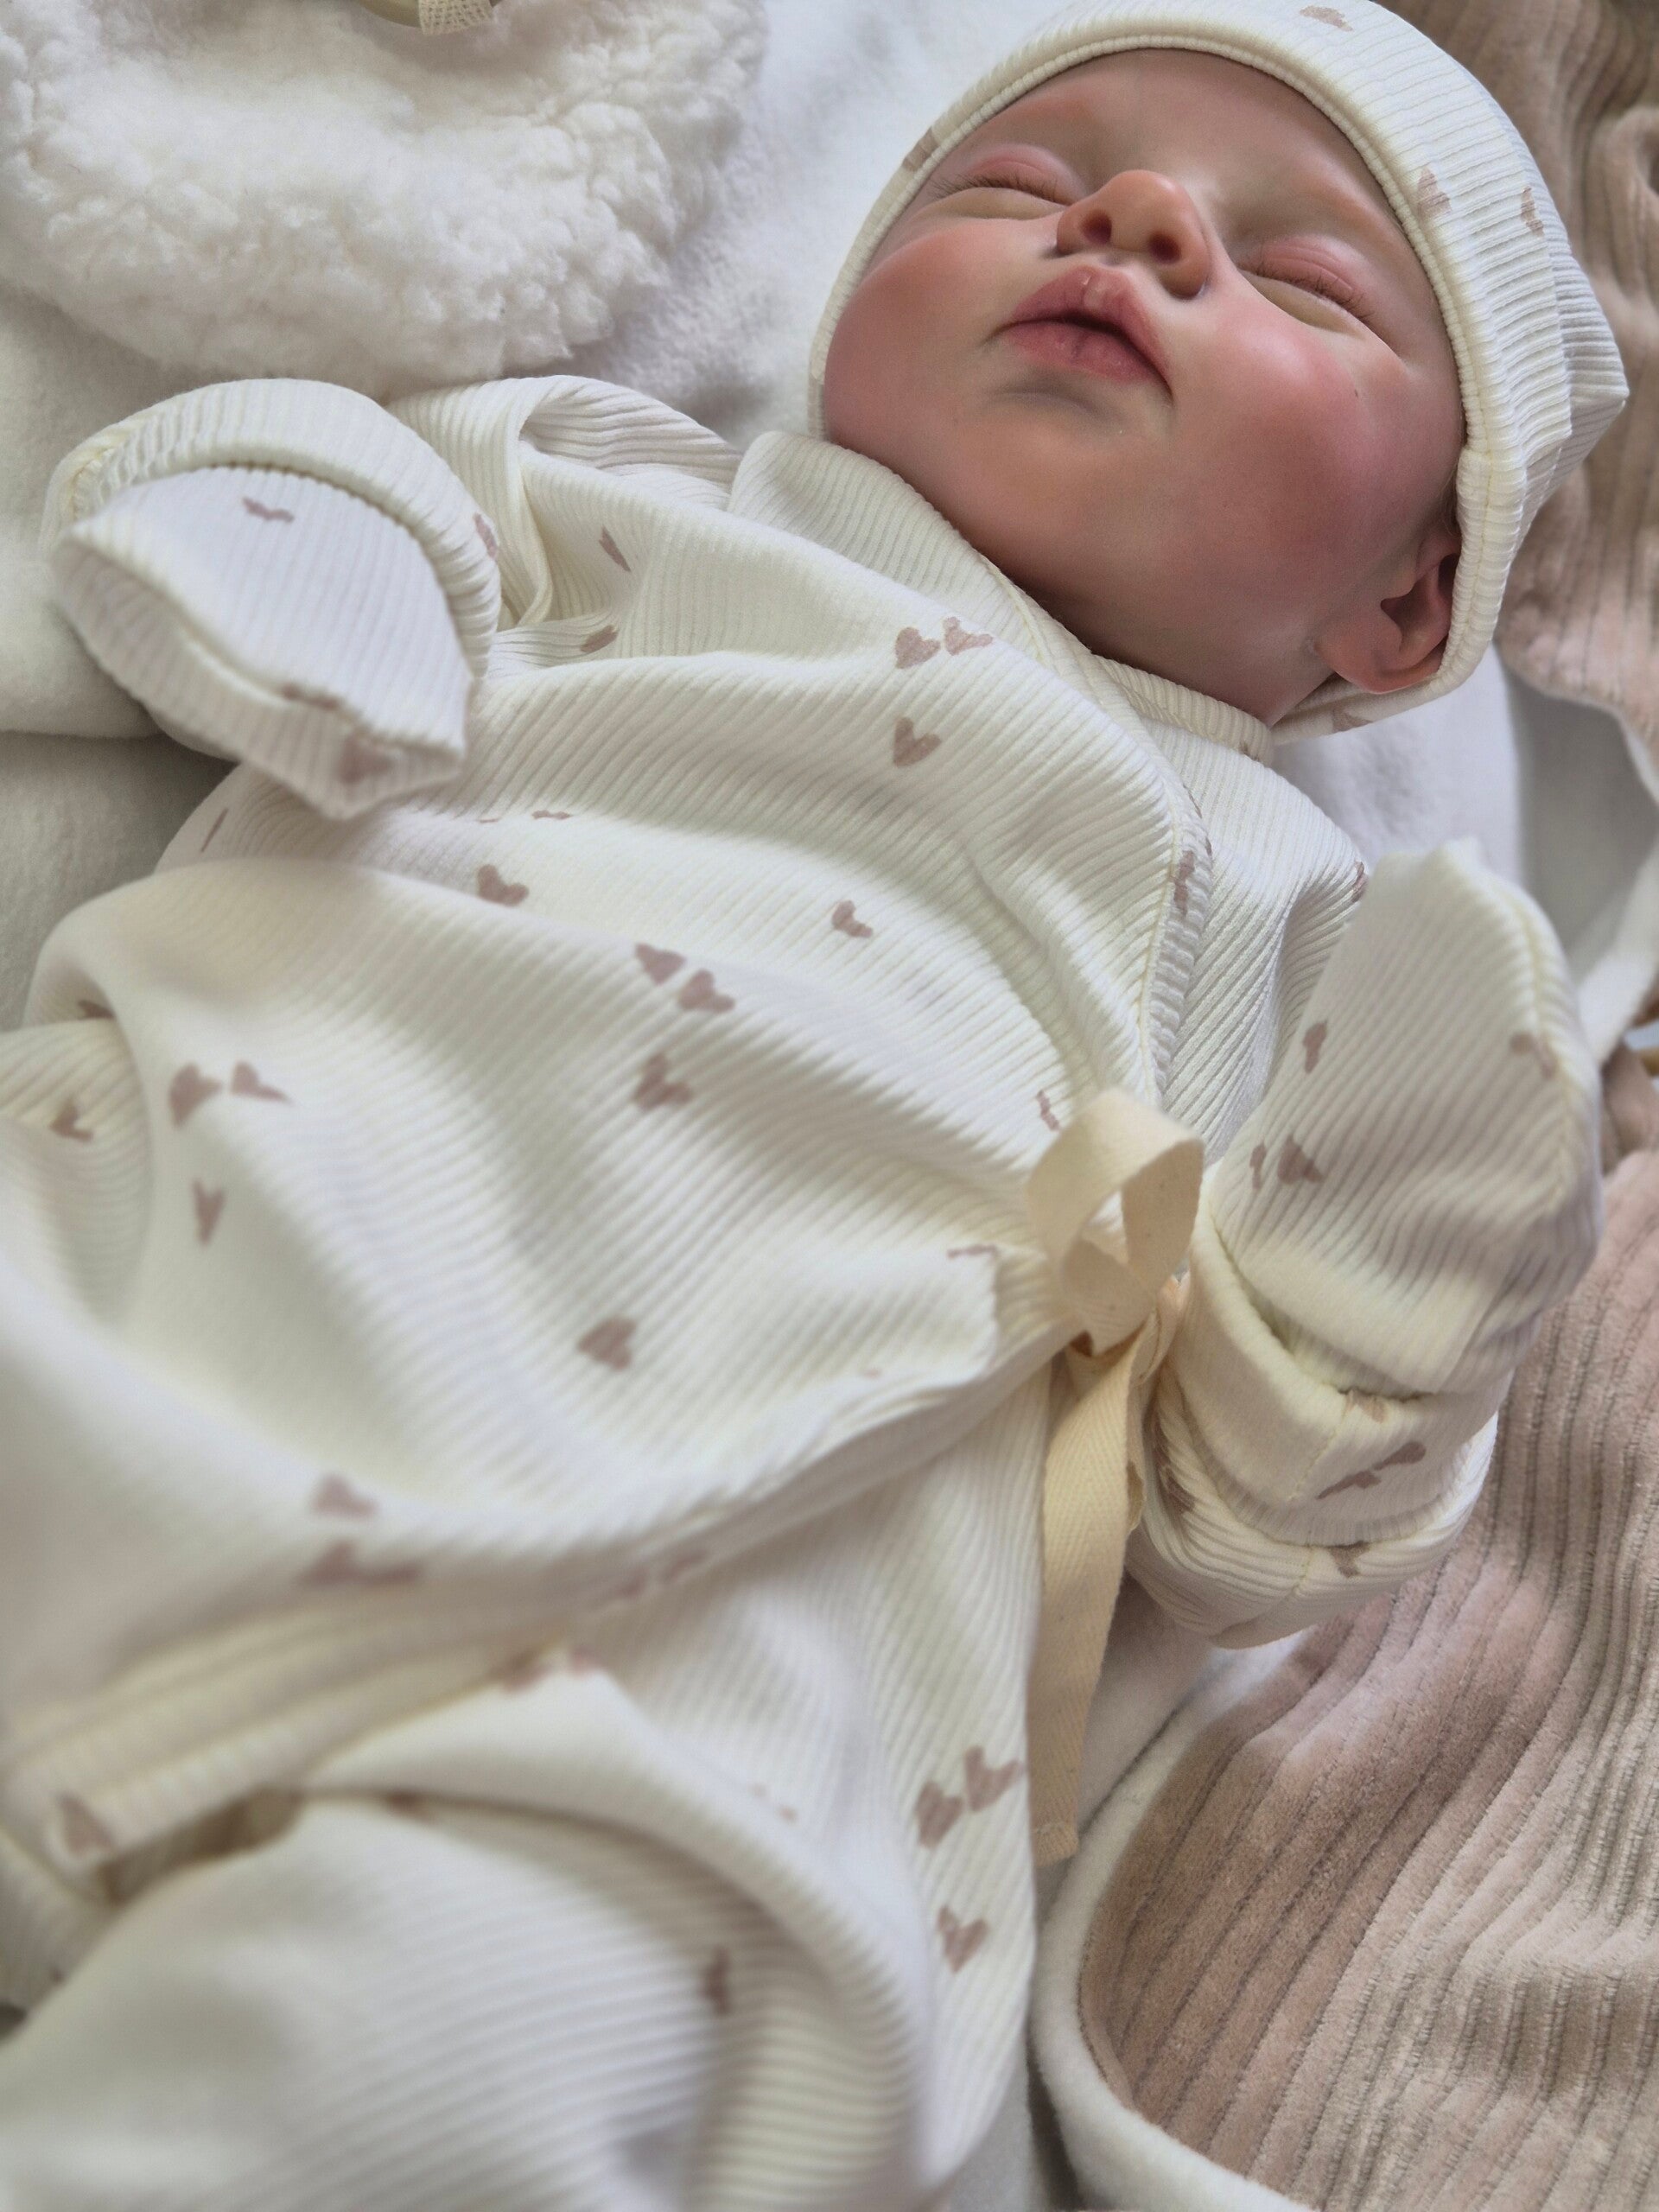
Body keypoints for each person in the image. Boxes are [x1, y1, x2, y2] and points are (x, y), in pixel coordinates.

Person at [0, 1, 1624, 2204]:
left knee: (447, 2018)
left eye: (1306, 278)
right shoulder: (635, 486)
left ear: (1414, 593)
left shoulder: (1308, 931)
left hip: (667, 1670)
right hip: (179, 1258)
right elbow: (268, 460)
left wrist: (1388, 1267)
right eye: (1021, 182)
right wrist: (319, 600)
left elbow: (1232, 1513)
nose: (1138, 221)